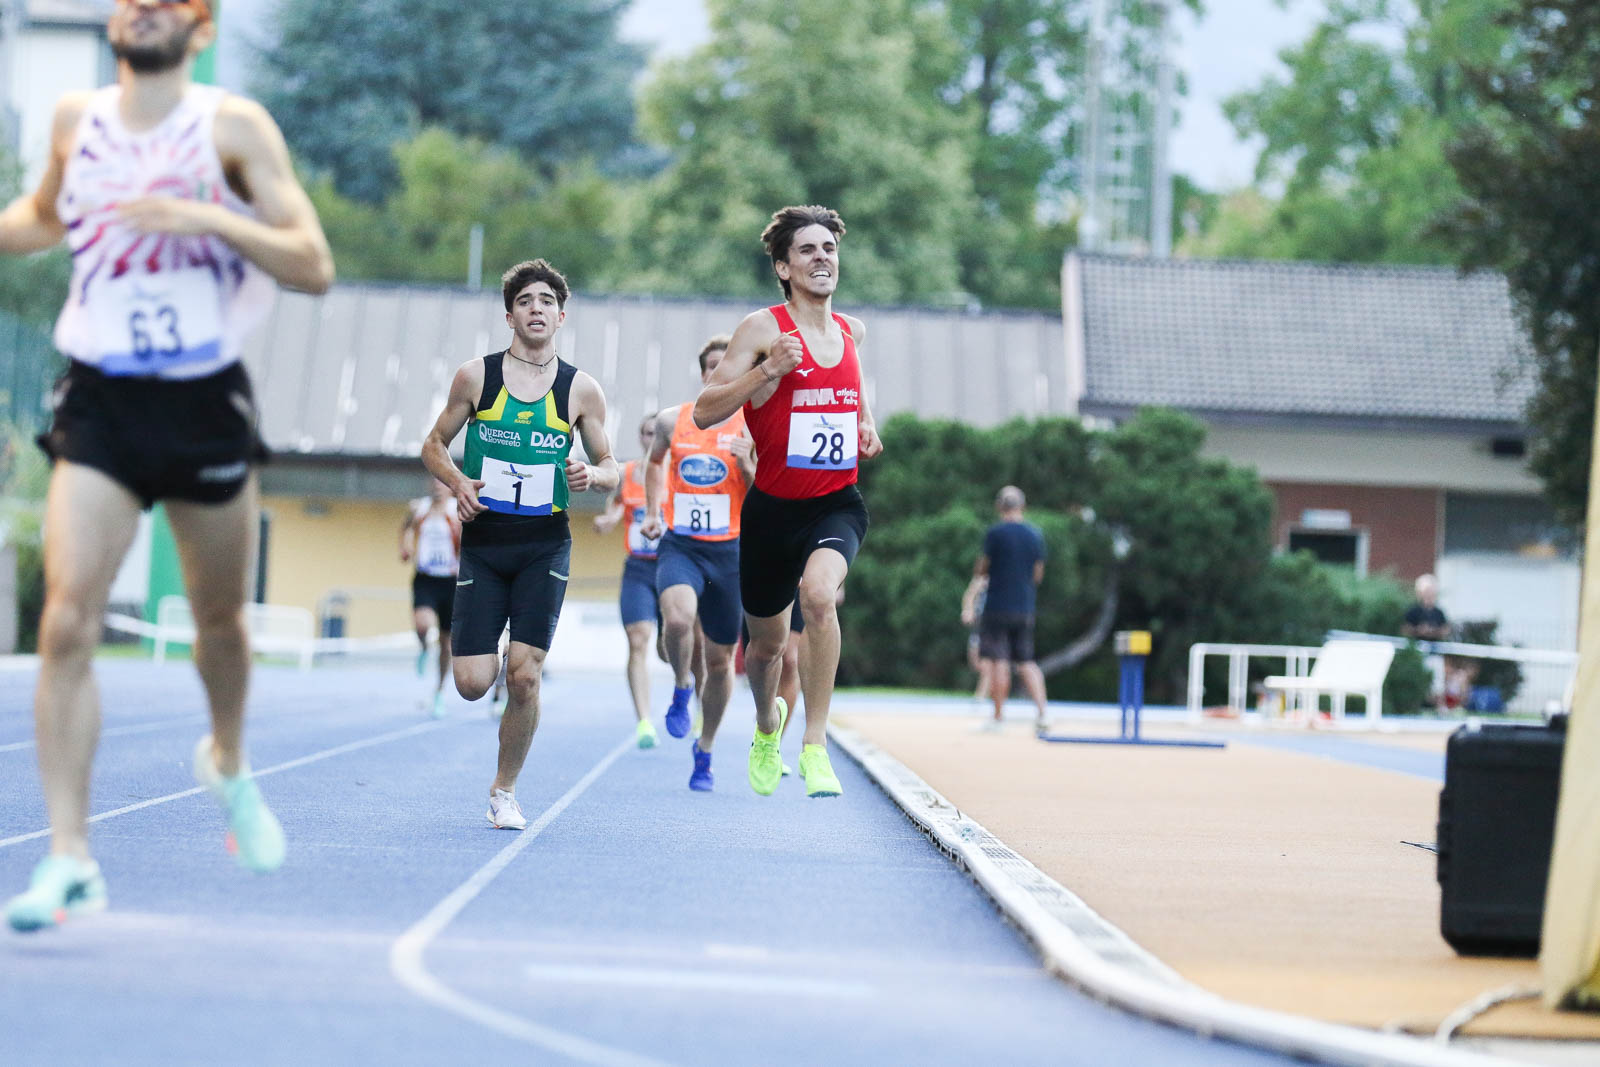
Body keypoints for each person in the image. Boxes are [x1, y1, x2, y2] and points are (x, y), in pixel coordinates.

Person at [1, 0, 333, 932]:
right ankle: (70, 856)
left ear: (201, 27)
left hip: (202, 399)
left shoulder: (232, 127)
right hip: (101, 397)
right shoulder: (76, 120)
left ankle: (226, 758)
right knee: (67, 619)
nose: (143, 5)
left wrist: (203, 216)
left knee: (219, 622)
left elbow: (312, 263)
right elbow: (41, 216)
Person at [694, 205, 883, 798]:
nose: (822, 257)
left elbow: (850, 388)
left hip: (836, 503)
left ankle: (815, 745)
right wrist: (766, 371)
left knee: (820, 596)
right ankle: (765, 727)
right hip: (772, 511)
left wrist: (866, 421)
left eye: (829, 248)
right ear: (783, 267)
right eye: (807, 250)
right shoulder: (761, 329)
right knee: (766, 650)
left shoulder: (850, 331)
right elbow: (704, 410)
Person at [421, 259, 617, 829]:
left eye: (546, 301)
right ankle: (501, 653)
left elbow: (612, 466)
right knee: (471, 684)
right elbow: (433, 445)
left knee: (525, 676)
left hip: (544, 544)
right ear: (509, 316)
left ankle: (504, 789)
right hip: (485, 543)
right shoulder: (475, 378)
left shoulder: (580, 389)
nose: (536, 309)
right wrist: (458, 482)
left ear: (561, 316)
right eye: (525, 301)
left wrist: (592, 475)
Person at [637, 336, 755, 791]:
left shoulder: (753, 425)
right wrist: (652, 511)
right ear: (703, 373)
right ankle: (683, 683)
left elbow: (767, 492)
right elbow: (654, 463)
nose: (718, 373)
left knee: (722, 662)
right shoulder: (673, 420)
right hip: (682, 545)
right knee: (678, 619)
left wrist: (747, 467)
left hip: (730, 551)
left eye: (728, 365)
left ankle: (705, 749)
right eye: (711, 366)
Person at [593, 415, 664, 748]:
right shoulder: (627, 473)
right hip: (638, 569)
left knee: (670, 649)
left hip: (672, 568)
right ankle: (644, 721)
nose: (652, 438)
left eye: (657, 433)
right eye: (646, 433)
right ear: (640, 437)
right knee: (638, 640)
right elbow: (617, 505)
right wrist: (608, 520)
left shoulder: (678, 471)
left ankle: (687, 690)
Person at [968, 486, 1049, 732]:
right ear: (1023, 506)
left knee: (998, 661)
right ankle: (1043, 715)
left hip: (997, 605)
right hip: (1024, 606)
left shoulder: (995, 533)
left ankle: (998, 717)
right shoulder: (1034, 534)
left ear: (999, 507)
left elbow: (982, 569)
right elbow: (1038, 573)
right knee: (1026, 662)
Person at [400, 478, 462, 719]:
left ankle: (439, 690)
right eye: (434, 483)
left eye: (442, 483)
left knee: (446, 643)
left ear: (450, 488)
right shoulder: (420, 508)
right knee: (423, 624)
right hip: (426, 578)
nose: (437, 487)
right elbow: (405, 528)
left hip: (450, 580)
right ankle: (424, 646)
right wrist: (405, 546)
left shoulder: (457, 510)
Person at [960, 575, 990, 702]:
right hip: (979, 624)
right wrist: (967, 610)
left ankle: (980, 697)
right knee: (975, 662)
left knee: (987, 662)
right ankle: (989, 692)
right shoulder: (982, 578)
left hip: (993, 625)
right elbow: (970, 595)